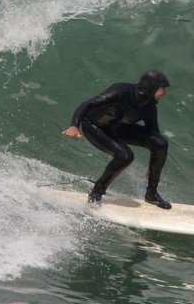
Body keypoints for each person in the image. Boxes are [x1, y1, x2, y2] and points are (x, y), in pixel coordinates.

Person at [62, 70, 172, 209]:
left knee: (161, 143)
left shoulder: (149, 107)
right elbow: (88, 104)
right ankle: (97, 192)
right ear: (151, 88)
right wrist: (74, 125)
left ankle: (151, 194)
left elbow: (154, 136)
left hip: (119, 128)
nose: (164, 93)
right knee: (125, 156)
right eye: (162, 89)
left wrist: (154, 165)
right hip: (95, 127)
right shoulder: (121, 90)